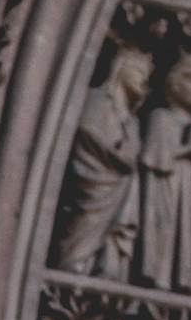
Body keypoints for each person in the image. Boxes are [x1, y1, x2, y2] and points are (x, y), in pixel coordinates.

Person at [53, 47, 153, 280]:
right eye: (138, 71)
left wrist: (124, 161)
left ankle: (107, 272)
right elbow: (85, 132)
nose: (143, 80)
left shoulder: (133, 121)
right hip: (95, 183)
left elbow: (133, 153)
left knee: (113, 244)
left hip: (122, 190)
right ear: (120, 69)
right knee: (83, 230)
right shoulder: (97, 98)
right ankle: (74, 267)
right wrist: (117, 159)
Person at [139, 53, 191, 295]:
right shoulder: (161, 117)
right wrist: (186, 150)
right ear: (174, 82)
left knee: (188, 235)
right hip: (165, 185)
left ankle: (186, 281)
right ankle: (159, 277)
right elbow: (155, 157)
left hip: (188, 188)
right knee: (164, 228)